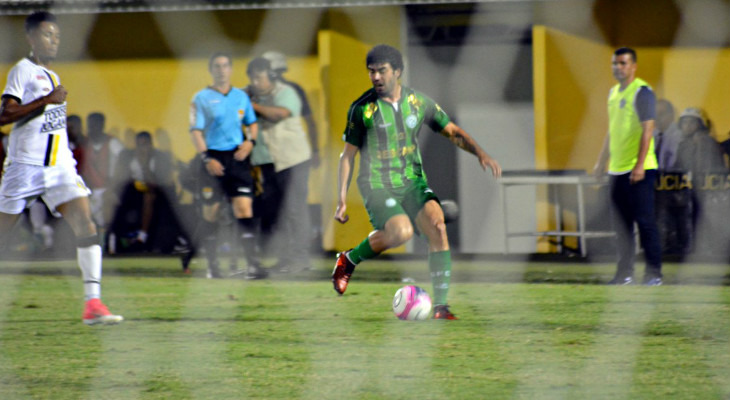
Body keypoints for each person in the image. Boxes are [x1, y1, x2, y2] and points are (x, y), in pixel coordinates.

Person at [331, 44, 502, 320]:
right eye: (371, 72)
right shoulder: (362, 109)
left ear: (397, 72)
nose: (375, 77)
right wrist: (341, 200)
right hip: (377, 184)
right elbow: (347, 156)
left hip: (412, 182)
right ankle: (348, 259)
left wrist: (480, 153)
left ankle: (441, 308)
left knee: (437, 224)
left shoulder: (418, 102)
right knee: (401, 233)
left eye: (381, 71)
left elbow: (452, 131)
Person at [0, 11, 122, 325]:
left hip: (59, 168)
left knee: (86, 224)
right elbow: (5, 114)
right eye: (46, 34)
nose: (53, 40)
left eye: (56, 35)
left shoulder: (52, 76)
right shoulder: (23, 71)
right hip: (24, 168)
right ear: (30, 37)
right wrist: (47, 101)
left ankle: (92, 304)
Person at [189, 52, 267, 279]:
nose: (222, 70)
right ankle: (213, 267)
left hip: (237, 159)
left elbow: (252, 124)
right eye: (217, 66)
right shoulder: (201, 98)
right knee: (211, 212)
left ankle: (253, 265)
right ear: (211, 70)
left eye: (225, 66)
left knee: (244, 209)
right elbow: (195, 131)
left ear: (231, 69)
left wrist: (250, 143)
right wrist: (206, 158)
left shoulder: (240, 97)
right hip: (213, 158)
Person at [593, 47, 662, 286]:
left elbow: (648, 129)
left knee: (645, 222)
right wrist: (601, 162)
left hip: (640, 169)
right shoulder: (613, 93)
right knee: (621, 226)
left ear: (633, 66)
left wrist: (640, 164)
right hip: (617, 170)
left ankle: (654, 274)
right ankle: (624, 273)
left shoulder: (642, 92)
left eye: (622, 63)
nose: (618, 68)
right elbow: (612, 131)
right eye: (615, 63)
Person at [246, 57, 313, 272]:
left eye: (260, 77)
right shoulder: (249, 95)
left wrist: (250, 105)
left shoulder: (286, 92)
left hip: (293, 160)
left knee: (294, 209)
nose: (256, 82)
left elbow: (280, 113)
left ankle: (301, 259)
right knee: (276, 211)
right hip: (268, 161)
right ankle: (285, 258)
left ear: (271, 76)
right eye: (253, 78)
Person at [672, 107, 727, 254]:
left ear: (700, 125)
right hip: (690, 191)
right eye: (685, 123)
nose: (688, 126)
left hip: (709, 191)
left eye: (692, 122)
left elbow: (708, 167)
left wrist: (700, 145)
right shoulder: (682, 145)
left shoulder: (707, 143)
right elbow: (678, 167)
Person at [261, 51, 320, 168]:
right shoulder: (295, 89)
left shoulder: (260, 91)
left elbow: (310, 122)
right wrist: (315, 150)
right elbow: (310, 122)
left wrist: (315, 151)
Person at [81, 111, 124, 240]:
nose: (92, 128)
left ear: (102, 125)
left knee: (105, 210)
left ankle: (108, 241)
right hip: (90, 189)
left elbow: (122, 165)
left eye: (95, 125)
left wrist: (113, 186)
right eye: (90, 125)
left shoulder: (113, 143)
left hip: (109, 188)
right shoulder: (85, 143)